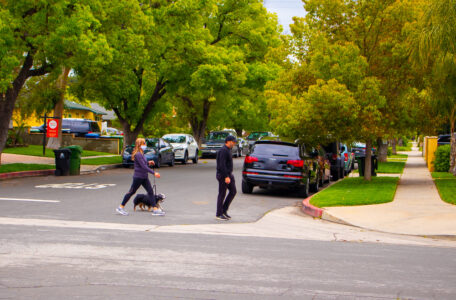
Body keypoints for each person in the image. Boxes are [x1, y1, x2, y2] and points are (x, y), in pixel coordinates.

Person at [116, 138, 165, 216]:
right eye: (144, 143)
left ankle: (155, 209)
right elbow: (143, 166)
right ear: (140, 145)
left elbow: (143, 164)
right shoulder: (138, 154)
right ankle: (120, 207)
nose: (145, 145)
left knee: (150, 192)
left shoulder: (141, 153)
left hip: (144, 177)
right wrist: (154, 173)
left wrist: (149, 162)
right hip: (138, 177)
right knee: (131, 192)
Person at [215, 135, 237, 220]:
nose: (234, 143)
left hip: (229, 174)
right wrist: (226, 176)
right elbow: (221, 165)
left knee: (233, 191)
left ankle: (224, 210)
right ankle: (218, 213)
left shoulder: (228, 150)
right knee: (222, 194)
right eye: (233, 142)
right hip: (223, 175)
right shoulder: (223, 151)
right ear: (228, 141)